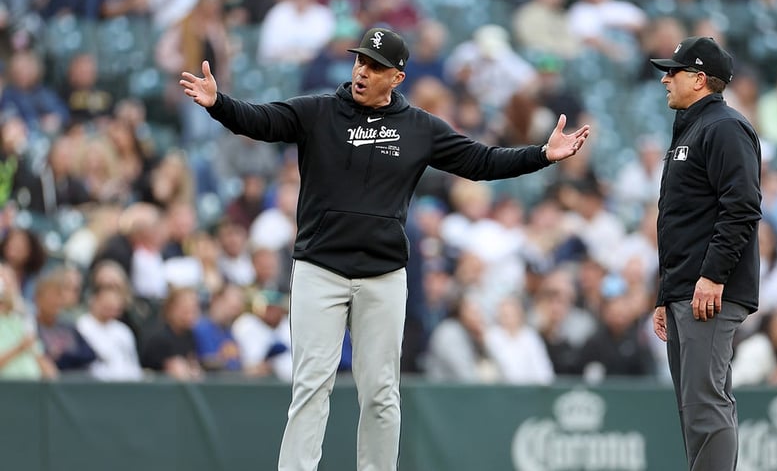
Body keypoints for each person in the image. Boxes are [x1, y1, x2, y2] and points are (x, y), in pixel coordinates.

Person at [180, 26, 590, 471]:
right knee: (311, 386)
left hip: (383, 275)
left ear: (396, 76)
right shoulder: (318, 112)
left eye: (374, 66)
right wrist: (219, 104)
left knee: (380, 394)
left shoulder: (419, 127)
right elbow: (260, 120)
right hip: (320, 268)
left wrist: (541, 155)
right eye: (360, 61)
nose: (362, 71)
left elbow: (482, 162)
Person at [649, 36, 762, 471]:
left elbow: (742, 207)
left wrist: (713, 275)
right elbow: (682, 222)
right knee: (694, 409)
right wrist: (665, 293)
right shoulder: (695, 129)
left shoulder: (725, 127)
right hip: (687, 288)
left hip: (710, 289)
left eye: (672, 71)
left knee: (706, 406)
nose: (665, 79)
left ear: (698, 80)